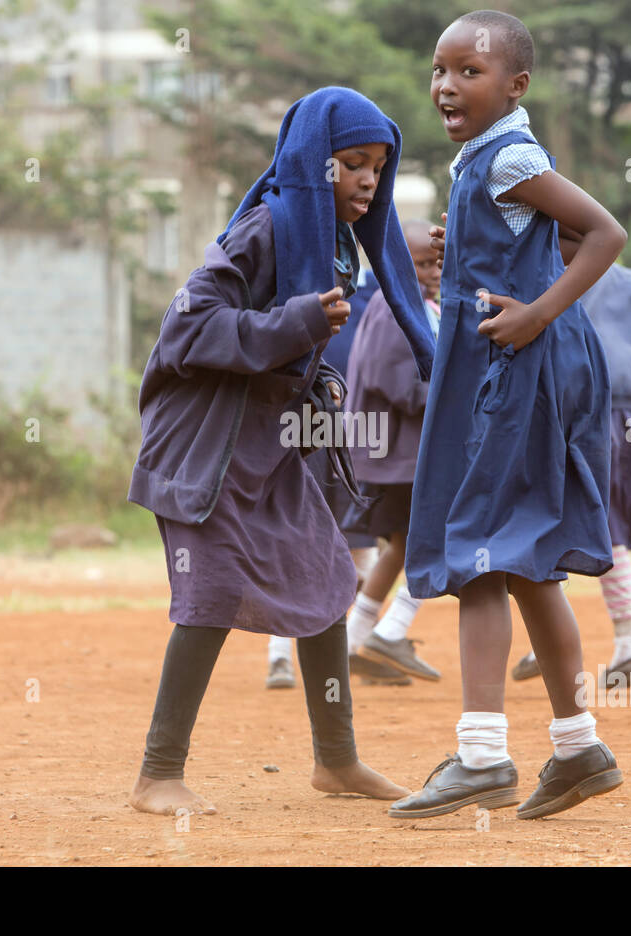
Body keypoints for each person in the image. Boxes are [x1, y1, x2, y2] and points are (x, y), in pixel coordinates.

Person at [127, 87, 436, 816]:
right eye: (351, 163)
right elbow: (187, 329)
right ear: (314, 163)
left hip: (275, 441)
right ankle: (157, 774)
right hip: (211, 441)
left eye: (377, 167)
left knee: (328, 583)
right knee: (208, 596)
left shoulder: (334, 242)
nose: (366, 180)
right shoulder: (268, 227)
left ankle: (337, 761)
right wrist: (294, 321)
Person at [389, 10, 628, 822]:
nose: (446, 86)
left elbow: (604, 232)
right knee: (524, 560)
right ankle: (578, 748)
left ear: (515, 87)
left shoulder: (509, 157)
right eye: (440, 70)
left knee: (480, 552)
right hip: (504, 367)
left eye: (469, 72)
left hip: (515, 369)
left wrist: (536, 315)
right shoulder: (481, 162)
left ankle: (483, 754)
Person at [512, 264, 631, 688]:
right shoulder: (622, 277)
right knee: (597, 522)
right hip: (623, 411)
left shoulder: (534, 265)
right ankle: (613, 641)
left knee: (539, 518)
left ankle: (625, 643)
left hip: (563, 406)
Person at [265, 265, 400, 689]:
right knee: (296, 536)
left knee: (362, 542)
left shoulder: (385, 289)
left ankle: (353, 646)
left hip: (361, 430)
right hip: (306, 423)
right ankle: (280, 655)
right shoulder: (299, 283)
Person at [341, 220, 444, 683]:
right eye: (422, 263)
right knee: (442, 539)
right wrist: (455, 399)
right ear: (397, 265)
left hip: (403, 452)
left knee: (403, 545)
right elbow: (394, 379)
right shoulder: (394, 306)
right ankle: (391, 628)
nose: (433, 272)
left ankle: (352, 640)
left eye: (439, 262)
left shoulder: (418, 305)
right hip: (400, 453)